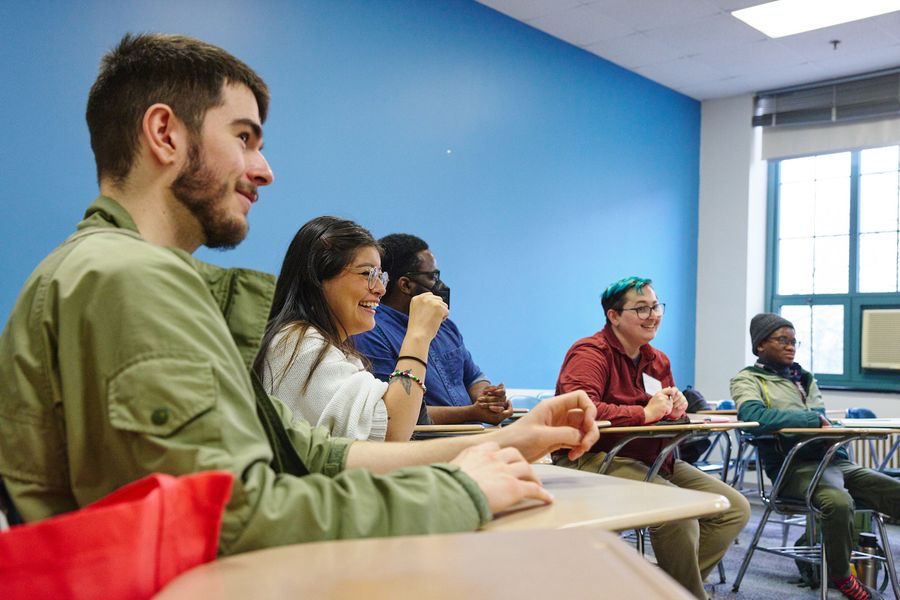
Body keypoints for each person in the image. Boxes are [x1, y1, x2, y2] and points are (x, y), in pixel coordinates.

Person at [0, 33, 600, 556]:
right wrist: (462, 491)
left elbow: (313, 453)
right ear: (165, 134)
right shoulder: (131, 278)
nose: (264, 169)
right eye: (244, 137)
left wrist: (504, 442)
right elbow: (232, 519)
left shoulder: (117, 271)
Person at [555, 276, 750, 600]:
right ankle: (684, 594)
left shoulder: (657, 360)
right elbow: (580, 410)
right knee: (679, 516)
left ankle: (659, 589)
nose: (653, 315)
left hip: (653, 459)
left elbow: (664, 413)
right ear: (613, 316)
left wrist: (676, 410)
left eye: (656, 306)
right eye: (641, 308)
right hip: (593, 458)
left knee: (734, 508)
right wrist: (644, 413)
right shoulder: (590, 352)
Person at [731, 313, 900, 600]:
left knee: (892, 492)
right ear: (760, 345)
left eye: (794, 341)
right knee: (838, 501)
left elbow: (823, 422)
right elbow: (753, 416)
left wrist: (833, 434)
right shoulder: (747, 379)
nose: (790, 346)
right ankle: (841, 577)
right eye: (782, 340)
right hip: (793, 469)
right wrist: (811, 420)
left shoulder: (804, 379)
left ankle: (828, 545)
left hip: (833, 461)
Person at [254, 217, 448, 441]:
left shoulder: (322, 344)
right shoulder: (299, 345)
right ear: (317, 276)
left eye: (381, 277)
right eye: (367, 274)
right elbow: (391, 433)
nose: (380, 289)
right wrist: (418, 335)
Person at [353, 234, 512, 426]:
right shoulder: (372, 332)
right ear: (406, 285)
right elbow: (392, 411)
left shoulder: (445, 326)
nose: (440, 285)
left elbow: (474, 377)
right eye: (432, 277)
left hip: (472, 435)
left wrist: (488, 399)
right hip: (426, 444)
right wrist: (472, 413)